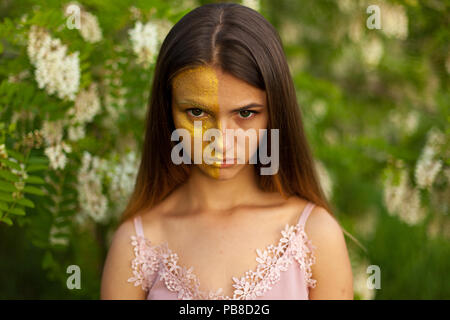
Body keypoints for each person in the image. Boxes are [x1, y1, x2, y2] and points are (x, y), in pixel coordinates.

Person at [101, 2, 353, 300]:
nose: (220, 141)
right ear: (167, 111)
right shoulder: (137, 243)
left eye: (245, 114)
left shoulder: (313, 235)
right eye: (197, 112)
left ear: (275, 112)